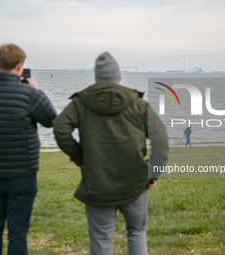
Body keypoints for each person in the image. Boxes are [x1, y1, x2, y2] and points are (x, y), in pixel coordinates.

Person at [53, 52, 169, 255]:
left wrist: (80, 158)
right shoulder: (138, 103)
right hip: (134, 183)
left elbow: (60, 128)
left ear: (97, 76)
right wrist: (152, 173)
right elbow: (161, 140)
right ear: (118, 76)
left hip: (98, 184)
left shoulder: (81, 103)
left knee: (101, 239)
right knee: (137, 233)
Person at [0, 44, 57, 255]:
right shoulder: (29, 95)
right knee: (17, 233)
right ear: (20, 66)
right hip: (22, 174)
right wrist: (35, 90)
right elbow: (51, 119)